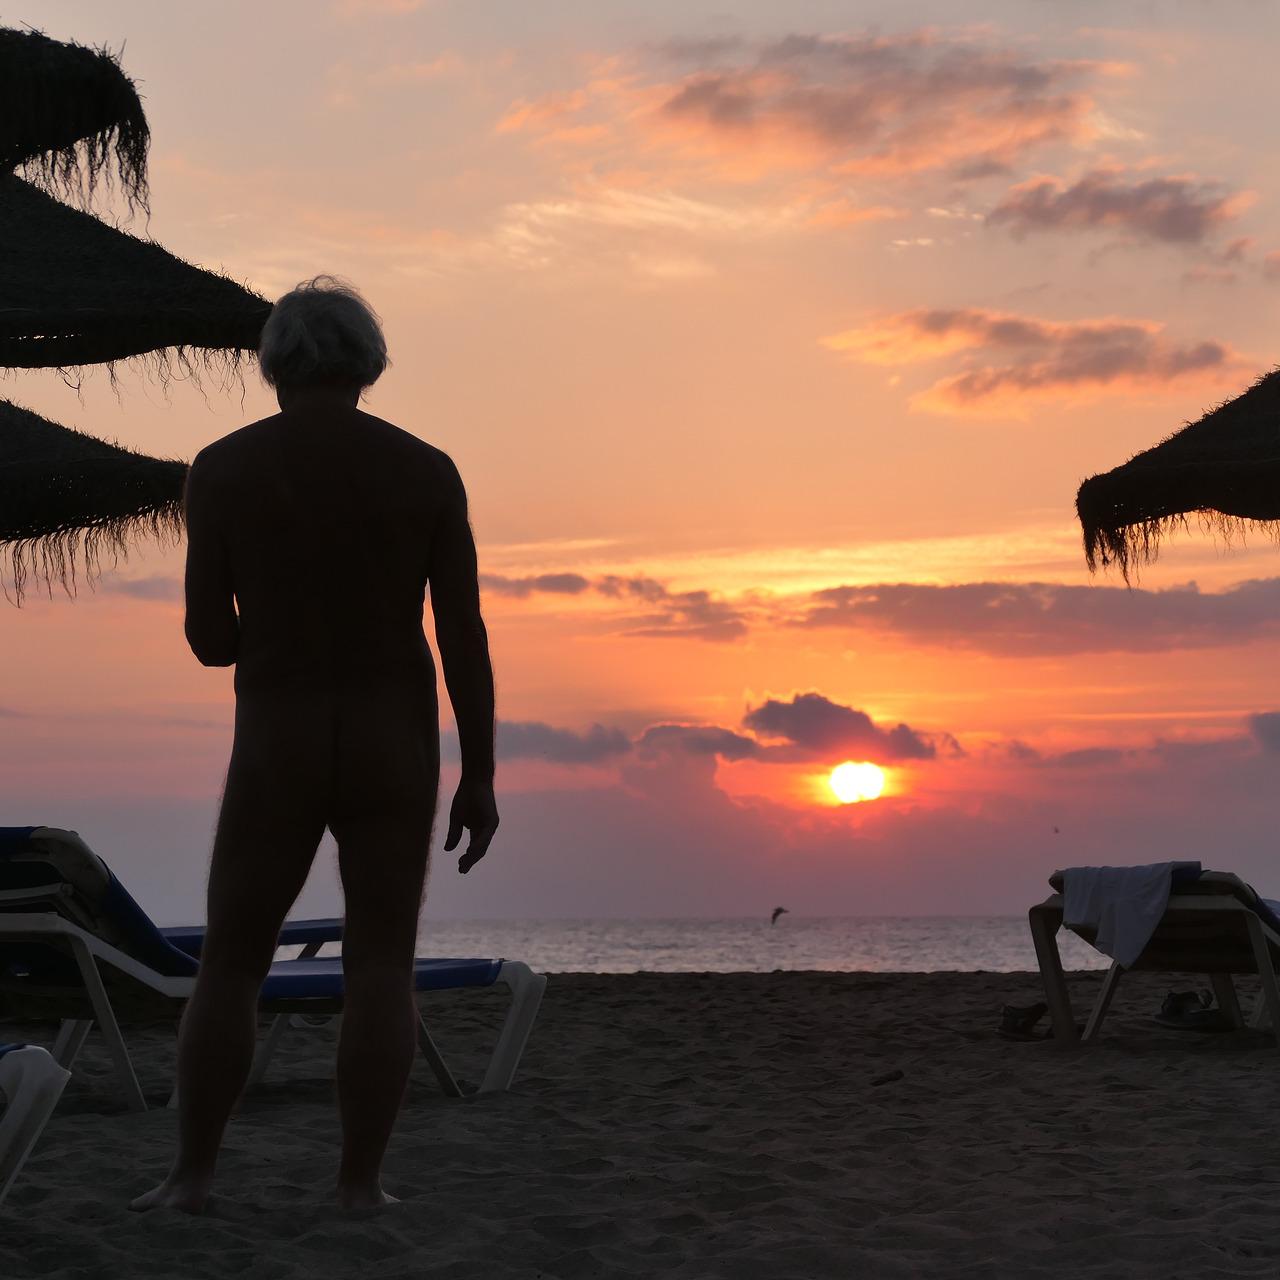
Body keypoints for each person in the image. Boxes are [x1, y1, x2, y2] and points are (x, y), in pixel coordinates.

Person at [131, 276, 498, 1213]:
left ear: (275, 363)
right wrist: (481, 773)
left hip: (279, 739)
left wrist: (275, 617)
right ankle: (359, 1186)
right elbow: (462, 635)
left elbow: (210, 641)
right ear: (367, 363)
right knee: (381, 964)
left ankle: (192, 1177)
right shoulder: (426, 471)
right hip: (392, 739)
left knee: (232, 963)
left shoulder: (223, 469)